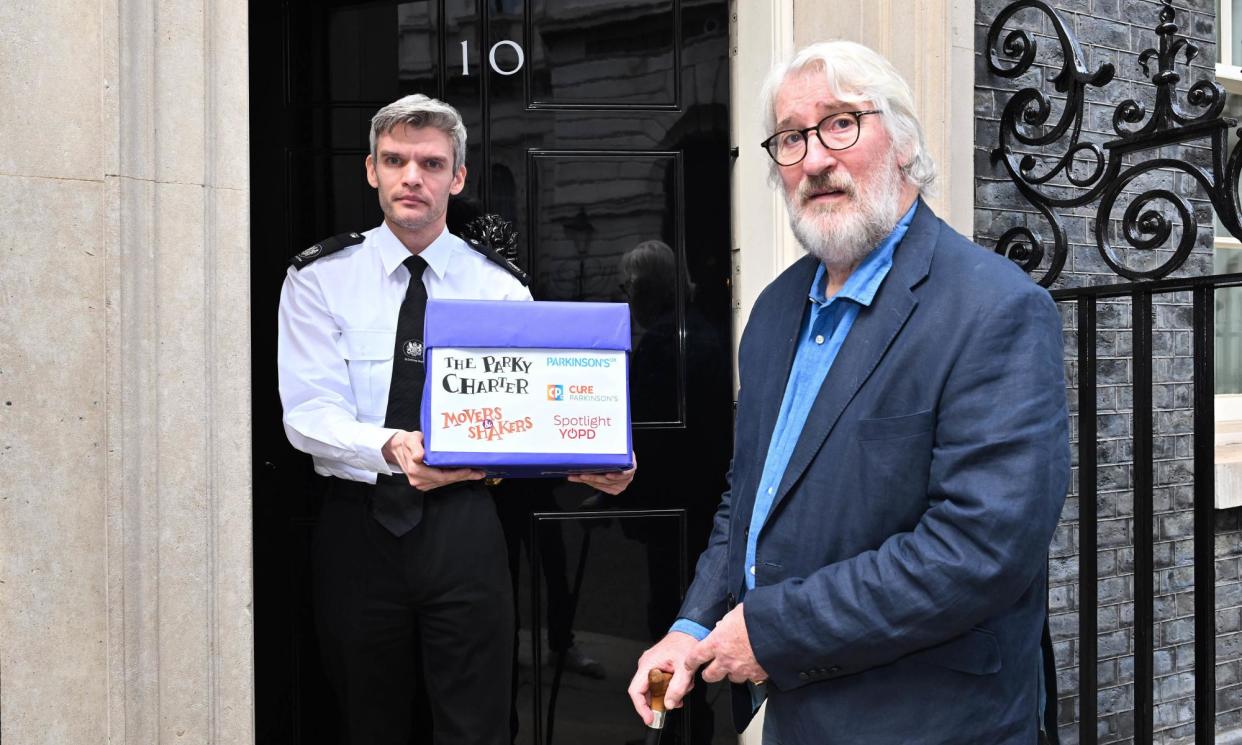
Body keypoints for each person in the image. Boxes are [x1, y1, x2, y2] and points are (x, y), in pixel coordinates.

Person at [627, 41, 1070, 744]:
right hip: (795, 717)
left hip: (931, 721)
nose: (815, 158)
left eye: (841, 123)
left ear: (903, 141)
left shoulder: (996, 309)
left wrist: (773, 629)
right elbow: (747, 502)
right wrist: (692, 624)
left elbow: (977, 550)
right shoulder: (774, 311)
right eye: (793, 137)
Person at [277, 93, 634, 745]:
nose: (413, 176)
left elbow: (532, 410)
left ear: (457, 177)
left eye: (431, 163)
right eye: (396, 160)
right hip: (360, 529)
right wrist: (395, 448)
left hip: (465, 529)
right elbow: (307, 414)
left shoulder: (499, 286)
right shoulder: (318, 278)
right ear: (371, 170)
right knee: (367, 721)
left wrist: (592, 452)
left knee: (479, 724)